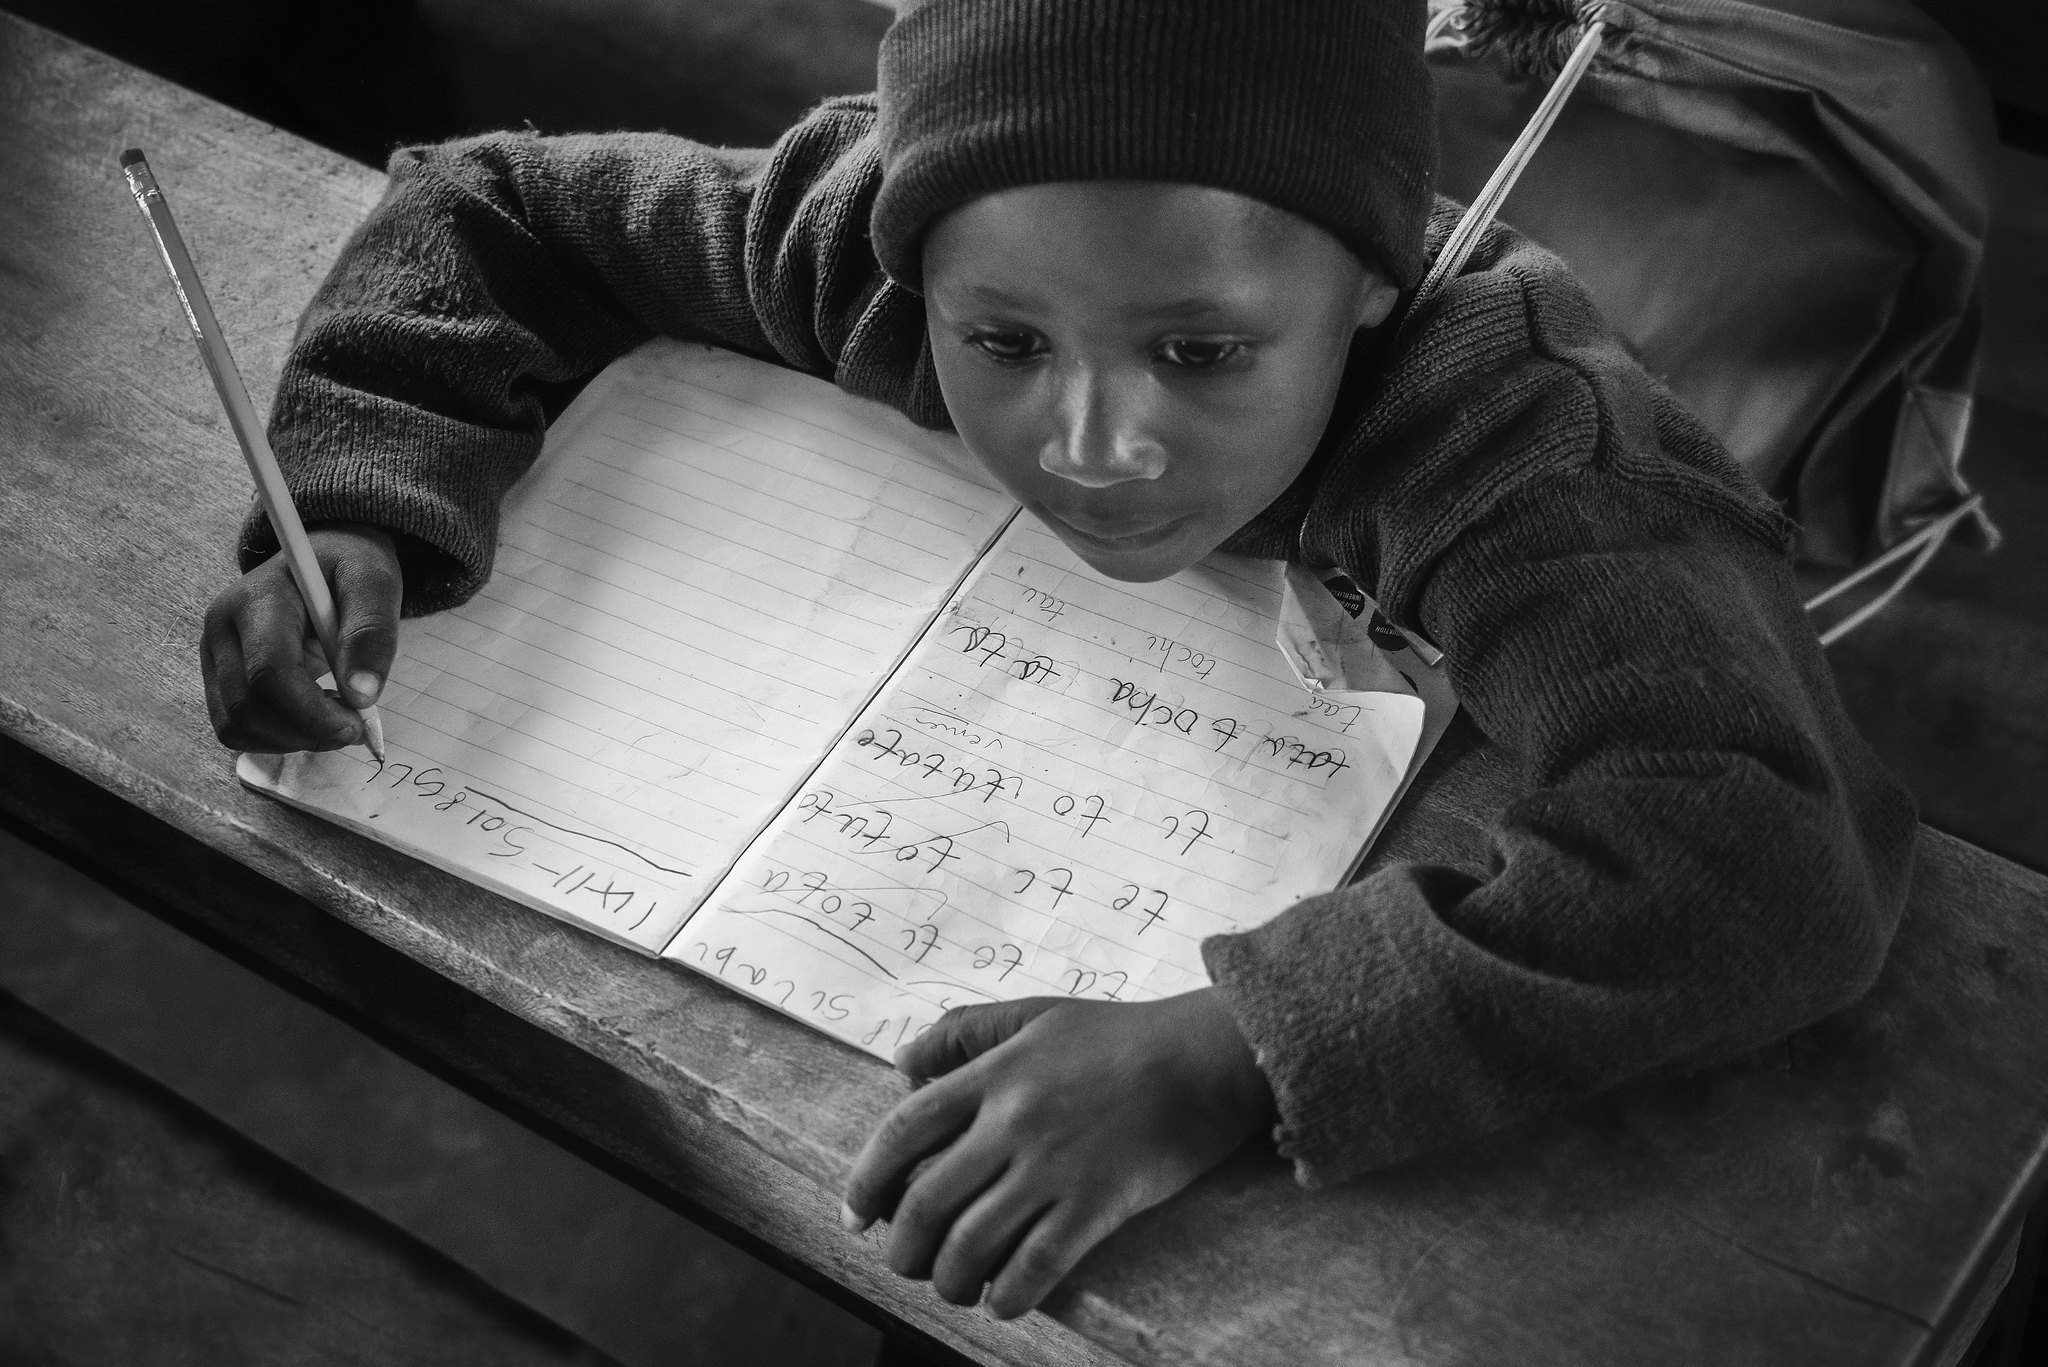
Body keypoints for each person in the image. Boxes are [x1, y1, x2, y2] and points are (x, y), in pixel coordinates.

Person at [198, 0, 1915, 1320]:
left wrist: (1234, 1054)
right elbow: (493, 209)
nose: (1094, 443)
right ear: (909, 251)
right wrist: (350, 502)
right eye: (1002, 343)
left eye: (1205, 351)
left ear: (1378, 290)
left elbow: (1765, 852)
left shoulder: (1529, 443)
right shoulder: (869, 238)